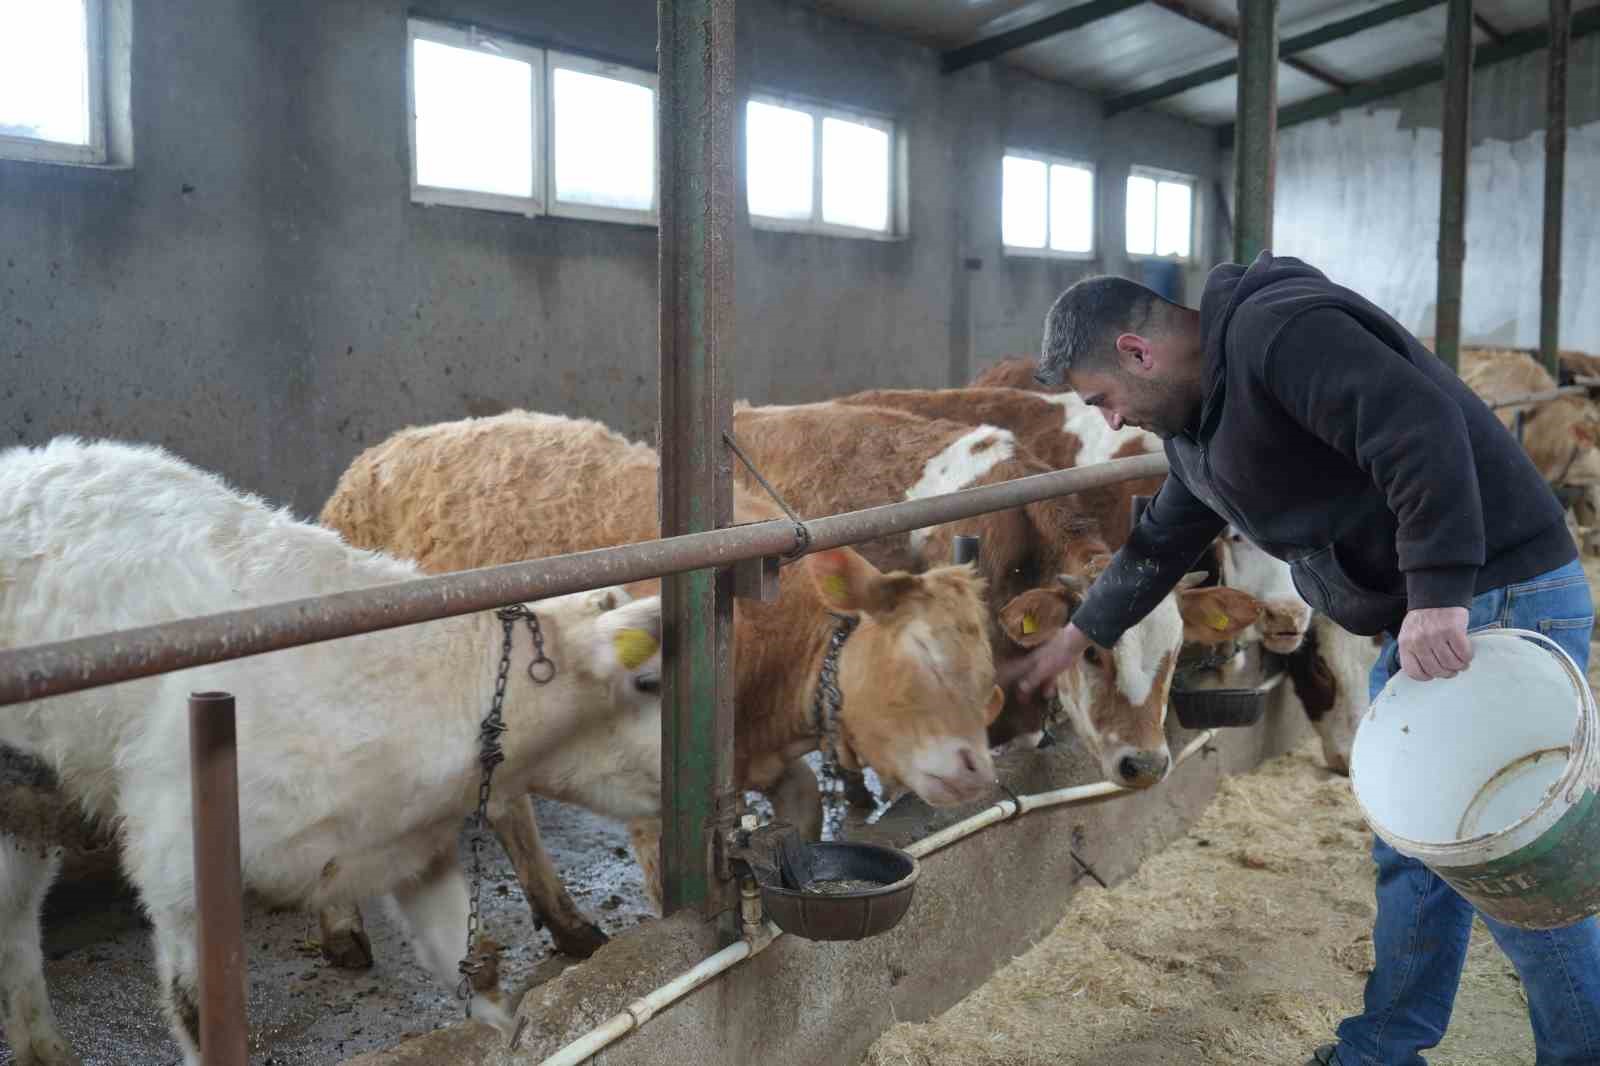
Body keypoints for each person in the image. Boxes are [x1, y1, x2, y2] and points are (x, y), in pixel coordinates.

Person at [1009, 252, 1600, 1065]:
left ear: (1137, 353)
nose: (1109, 421)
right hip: (1440, 614)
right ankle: (1386, 1048)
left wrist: (1435, 591)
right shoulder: (1196, 425)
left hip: (1493, 597)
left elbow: (1418, 430)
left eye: (1103, 399)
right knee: (1417, 845)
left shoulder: (1284, 332)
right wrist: (1082, 633)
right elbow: (1165, 535)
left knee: (1509, 860)